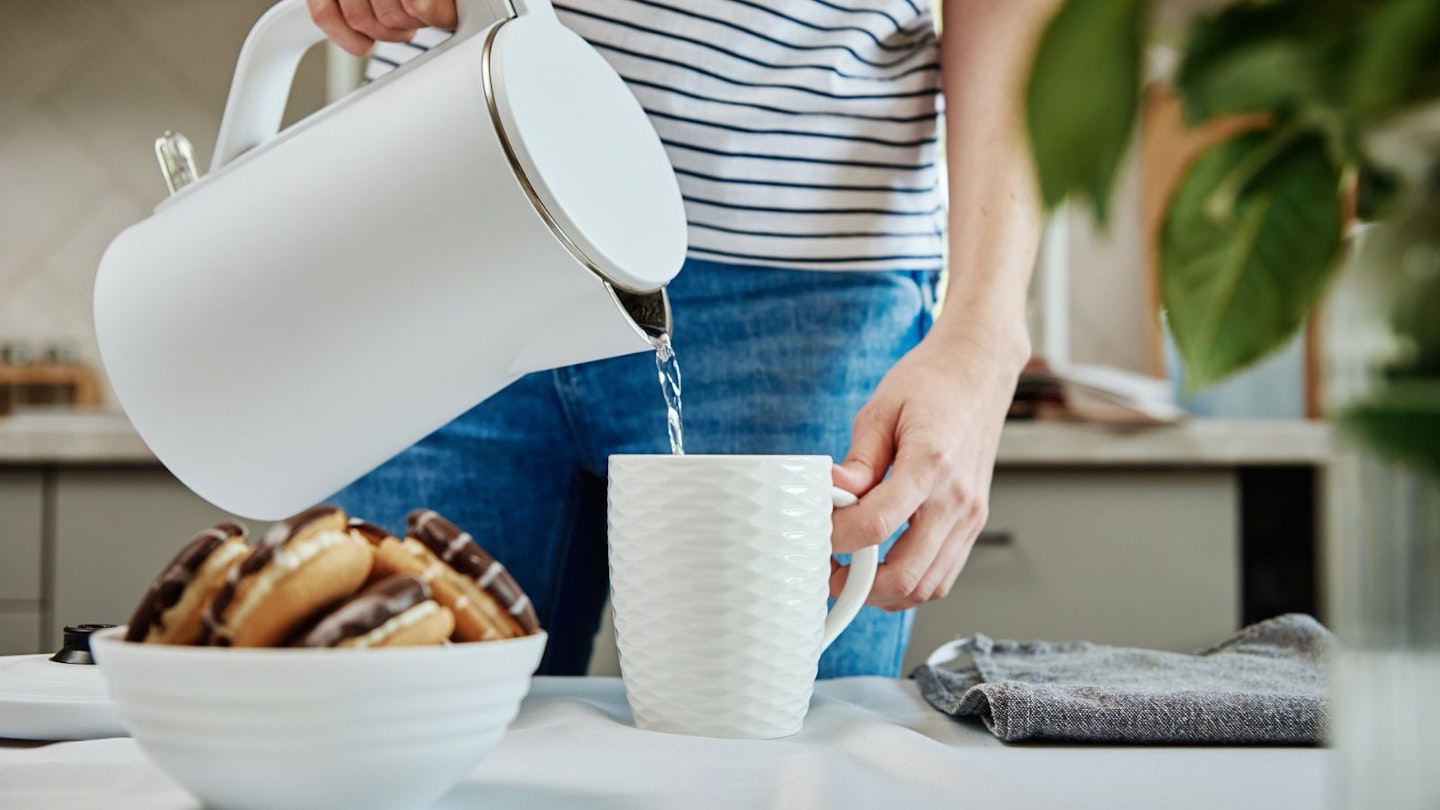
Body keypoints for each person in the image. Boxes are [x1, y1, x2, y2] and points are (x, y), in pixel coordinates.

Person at [312, 0, 1053, 677]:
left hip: (802, 281)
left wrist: (983, 336)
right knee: (383, 745)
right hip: (451, 208)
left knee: (771, 765)